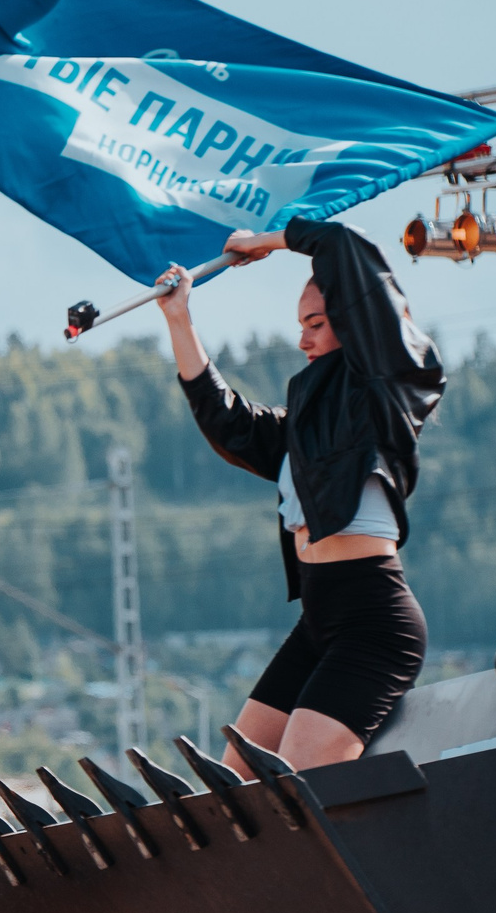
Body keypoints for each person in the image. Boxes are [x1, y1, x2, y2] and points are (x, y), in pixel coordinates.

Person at [157, 218, 443, 773]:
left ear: (355, 322)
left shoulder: (385, 387)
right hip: (318, 620)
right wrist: (179, 318)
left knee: (296, 787)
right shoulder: (304, 426)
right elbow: (229, 423)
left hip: (374, 623)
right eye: (300, 326)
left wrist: (262, 243)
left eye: (316, 323)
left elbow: (344, 244)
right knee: (238, 783)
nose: (303, 340)